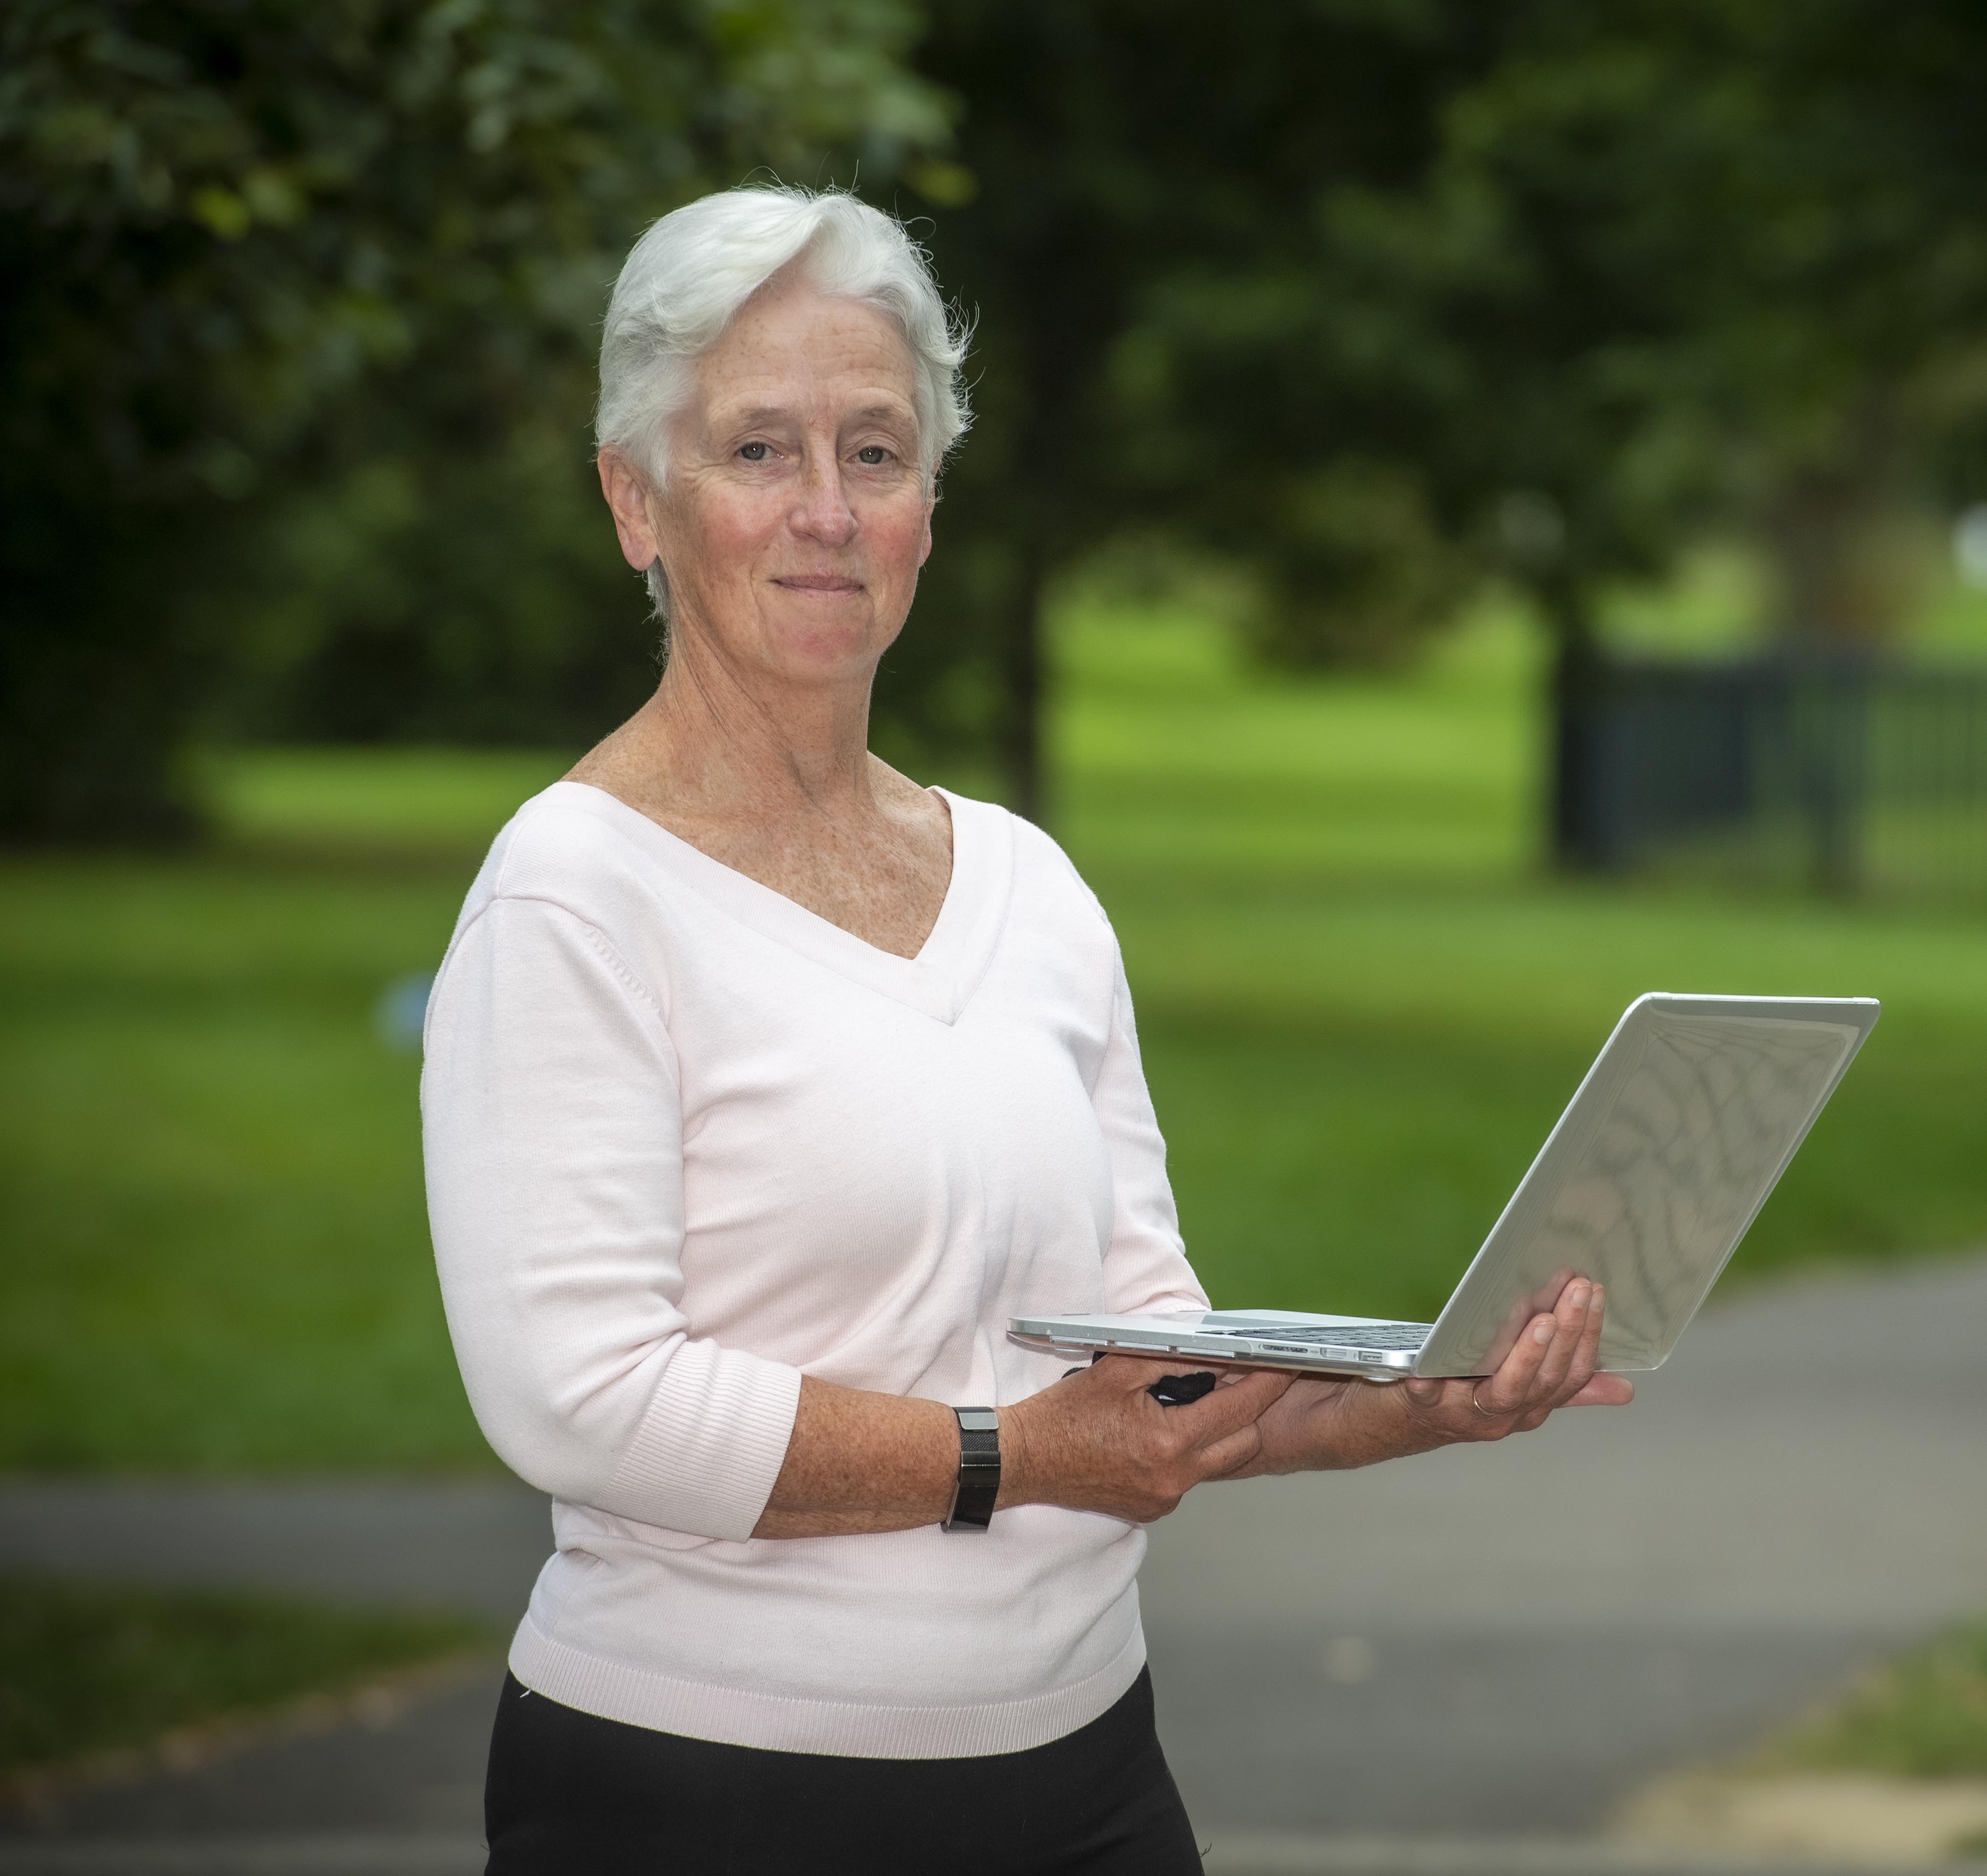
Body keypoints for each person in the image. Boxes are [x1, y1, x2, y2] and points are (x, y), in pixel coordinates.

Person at [422, 184, 1634, 1876]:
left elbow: (1151, 1367)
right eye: (759, 452)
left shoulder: (1028, 884)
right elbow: (584, 1399)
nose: (826, 513)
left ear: (931, 499)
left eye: (876, 451)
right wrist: (1013, 1457)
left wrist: (1430, 1395)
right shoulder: (574, 892)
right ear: (639, 501)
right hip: (708, 1791)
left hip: (1085, 1781)